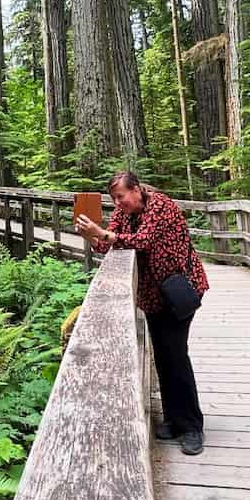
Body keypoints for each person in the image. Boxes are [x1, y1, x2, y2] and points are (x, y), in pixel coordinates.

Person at [74, 170, 208, 456]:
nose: (118, 203)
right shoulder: (124, 214)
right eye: (114, 199)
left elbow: (143, 240)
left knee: (176, 354)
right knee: (162, 354)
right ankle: (173, 419)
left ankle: (192, 427)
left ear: (136, 190)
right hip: (153, 297)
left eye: (121, 197)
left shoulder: (160, 205)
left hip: (180, 289)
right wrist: (91, 236)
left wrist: (104, 234)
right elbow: (109, 242)